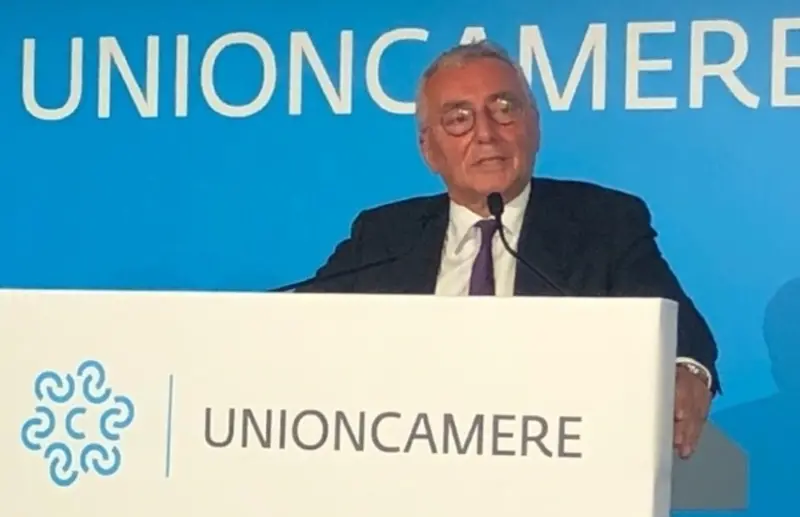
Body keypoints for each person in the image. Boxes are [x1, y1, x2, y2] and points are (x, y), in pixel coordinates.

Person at [297, 40, 720, 459]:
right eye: (458, 119)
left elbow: (676, 320)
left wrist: (686, 368)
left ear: (534, 127)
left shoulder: (602, 223)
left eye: (503, 109)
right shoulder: (384, 234)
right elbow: (297, 324)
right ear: (429, 150)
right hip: (405, 461)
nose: (485, 134)